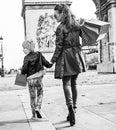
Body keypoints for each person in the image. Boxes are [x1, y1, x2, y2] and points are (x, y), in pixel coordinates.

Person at [50, 4, 86, 126]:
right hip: (76, 55)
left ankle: (70, 108)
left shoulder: (60, 27)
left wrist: (53, 60)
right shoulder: (77, 24)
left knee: (66, 83)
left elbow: (59, 46)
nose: (55, 18)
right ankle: (74, 108)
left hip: (65, 56)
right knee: (74, 83)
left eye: (56, 15)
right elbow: (85, 37)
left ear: (63, 13)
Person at [21, 40, 52, 120]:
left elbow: (24, 70)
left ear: (27, 48)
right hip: (38, 78)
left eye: (23, 48)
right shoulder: (39, 54)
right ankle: (38, 107)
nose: (23, 49)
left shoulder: (26, 57)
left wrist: (21, 74)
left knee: (32, 97)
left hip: (30, 79)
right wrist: (52, 62)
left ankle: (33, 115)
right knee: (40, 93)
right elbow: (47, 64)